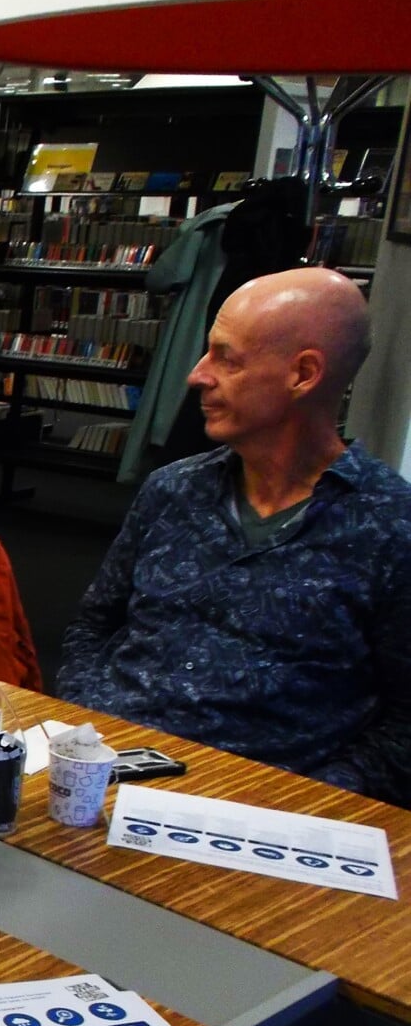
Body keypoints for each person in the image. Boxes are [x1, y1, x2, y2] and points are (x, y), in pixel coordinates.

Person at [56, 268, 411, 804]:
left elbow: (405, 727)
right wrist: (83, 729)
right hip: (103, 769)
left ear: (304, 374)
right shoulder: (173, 490)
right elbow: (92, 626)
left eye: (227, 358)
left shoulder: (389, 526)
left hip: (261, 804)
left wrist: (301, 801)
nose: (197, 375)